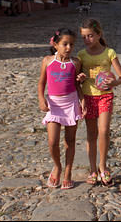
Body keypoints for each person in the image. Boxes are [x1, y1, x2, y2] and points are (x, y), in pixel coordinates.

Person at [78, 18, 121, 186]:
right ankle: (92, 170)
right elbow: (76, 80)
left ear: (99, 35)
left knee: (104, 131)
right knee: (91, 135)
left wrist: (113, 83)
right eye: (84, 37)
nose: (87, 40)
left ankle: (103, 167)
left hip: (105, 95)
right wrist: (81, 78)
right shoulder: (81, 55)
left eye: (90, 36)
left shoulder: (109, 53)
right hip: (88, 96)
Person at [37, 28, 87, 190]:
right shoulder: (47, 61)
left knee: (70, 141)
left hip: (71, 104)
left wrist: (83, 100)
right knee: (52, 142)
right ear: (55, 44)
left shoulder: (76, 62)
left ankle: (67, 172)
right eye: (65, 44)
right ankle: (57, 166)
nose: (68, 47)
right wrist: (41, 99)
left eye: (71, 44)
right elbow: (41, 83)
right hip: (54, 106)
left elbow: (77, 85)